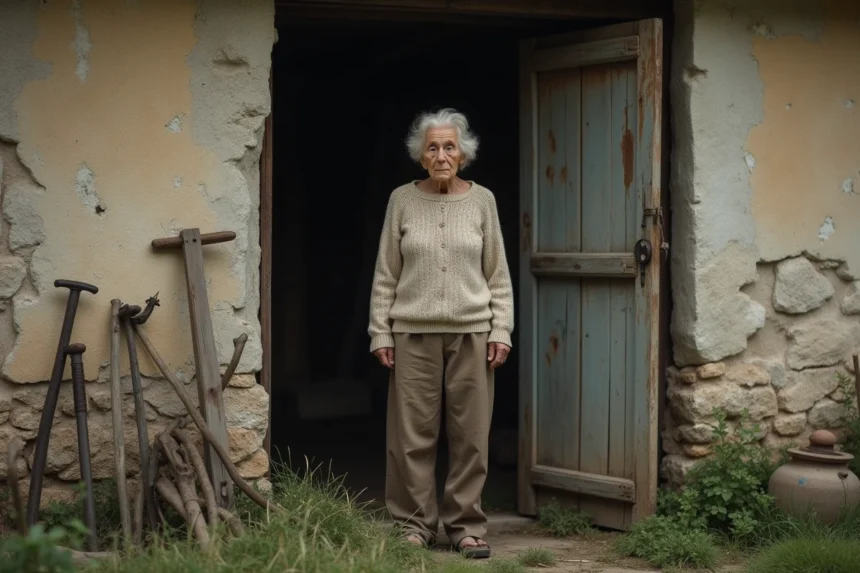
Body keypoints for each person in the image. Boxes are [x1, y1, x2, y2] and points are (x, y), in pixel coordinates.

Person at [368, 108, 514, 559]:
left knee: (471, 434)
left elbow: (499, 275)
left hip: (473, 332)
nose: (442, 154)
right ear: (421, 155)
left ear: (464, 154)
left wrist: (501, 329)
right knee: (412, 435)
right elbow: (386, 274)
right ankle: (413, 525)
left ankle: (466, 525)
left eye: (450, 146)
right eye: (433, 147)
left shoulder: (483, 201)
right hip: (412, 332)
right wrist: (381, 333)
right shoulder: (402, 201)